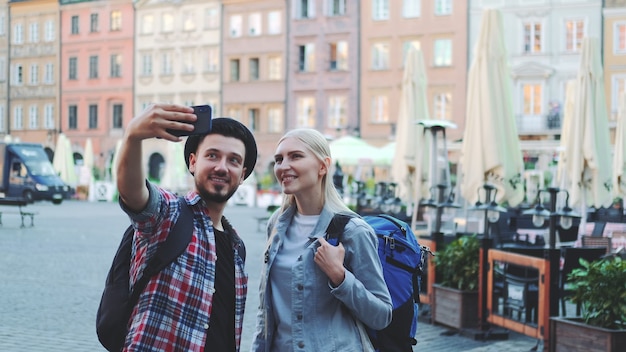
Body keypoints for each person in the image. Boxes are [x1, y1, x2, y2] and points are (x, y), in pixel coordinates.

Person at [115, 103, 257, 352]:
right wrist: (133, 136)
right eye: (212, 155)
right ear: (193, 162)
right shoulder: (169, 214)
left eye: (233, 160)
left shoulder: (237, 248)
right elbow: (132, 192)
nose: (222, 167)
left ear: (242, 174)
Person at [250, 128, 392, 351]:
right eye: (279, 159)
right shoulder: (276, 224)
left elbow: (381, 315)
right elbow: (265, 308)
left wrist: (340, 276)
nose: (283, 166)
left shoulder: (353, 231)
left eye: (295, 156)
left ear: (323, 166)